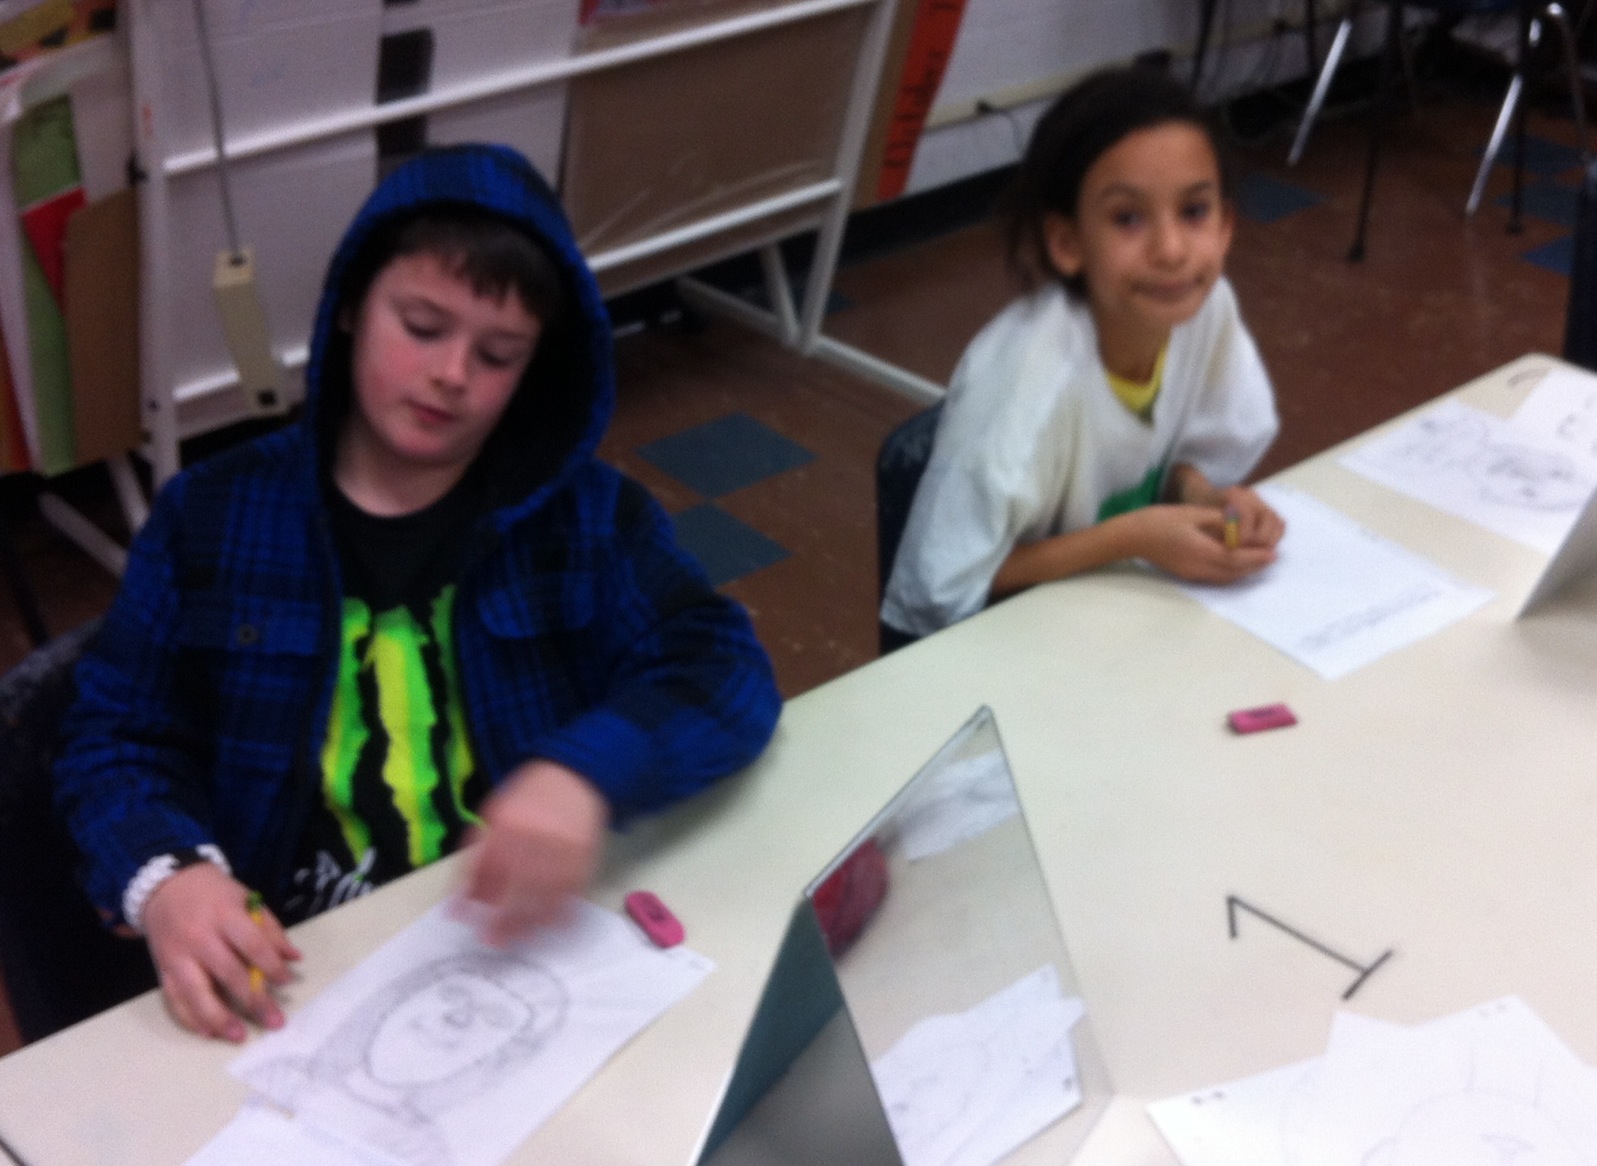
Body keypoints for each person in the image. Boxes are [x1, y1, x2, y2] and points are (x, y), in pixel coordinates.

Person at [54, 143, 781, 1043]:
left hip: (513, 939)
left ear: (535, 368)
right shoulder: (208, 515)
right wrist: (167, 874)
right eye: (423, 326)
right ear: (350, 306)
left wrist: (586, 773)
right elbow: (114, 734)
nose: (452, 374)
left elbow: (719, 664)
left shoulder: (588, 516)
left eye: (498, 354)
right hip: (293, 962)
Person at [880, 66, 1285, 641]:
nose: (1172, 250)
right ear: (1067, 242)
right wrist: (1137, 536)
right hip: (1004, 649)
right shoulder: (1029, 374)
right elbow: (941, 588)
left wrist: (1201, 495)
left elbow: (1160, 455)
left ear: (1226, 226)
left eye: (1194, 211)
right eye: (1127, 218)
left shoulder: (1205, 308)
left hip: (1110, 626)